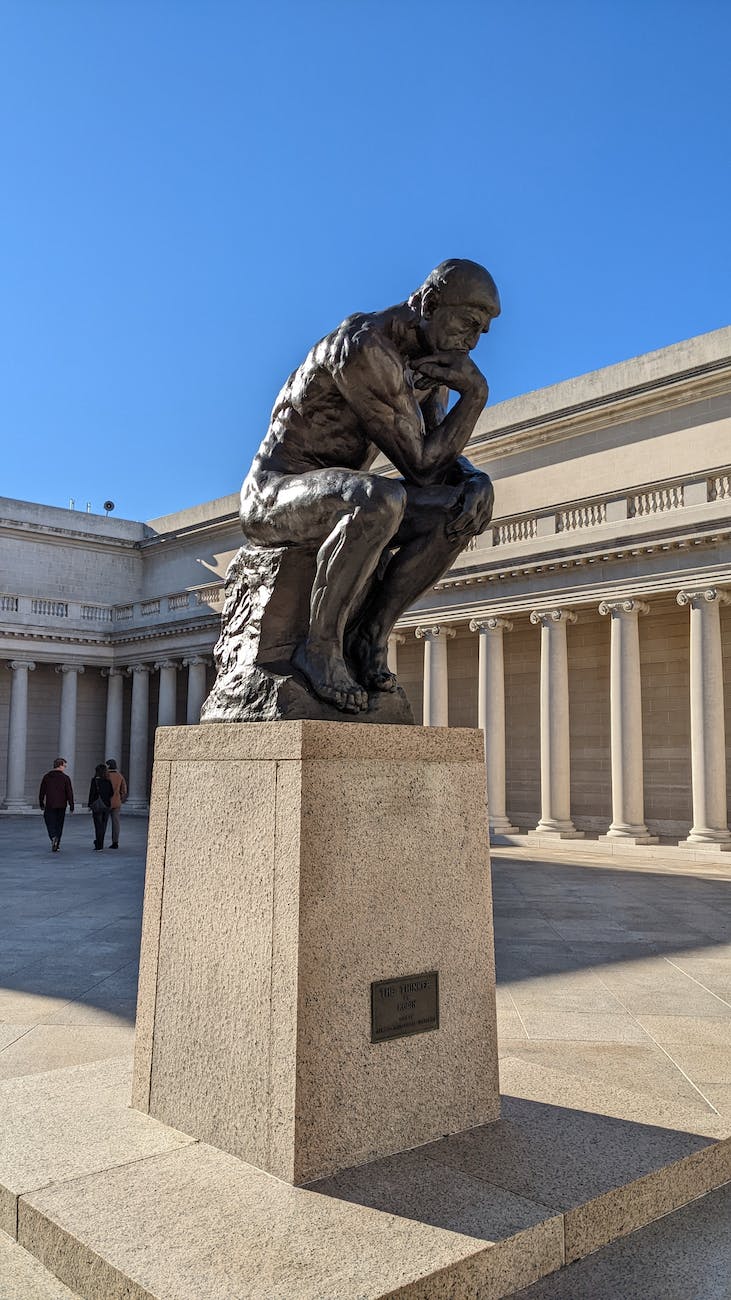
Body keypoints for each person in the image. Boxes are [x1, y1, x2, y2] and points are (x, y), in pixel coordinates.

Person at [239, 258, 499, 713]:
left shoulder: (431, 368)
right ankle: (320, 648)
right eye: (467, 323)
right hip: (275, 492)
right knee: (379, 499)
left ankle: (368, 638)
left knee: (460, 508)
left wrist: (475, 480)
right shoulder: (365, 345)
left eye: (481, 331)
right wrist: (476, 395)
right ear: (429, 302)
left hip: (343, 494)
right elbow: (421, 467)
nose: (472, 342)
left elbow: (438, 456)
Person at [38, 757, 74, 851]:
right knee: (59, 824)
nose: (65, 768)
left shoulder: (47, 777)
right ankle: (57, 844)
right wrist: (71, 805)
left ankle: (53, 836)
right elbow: (69, 792)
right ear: (60, 765)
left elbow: (42, 791)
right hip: (62, 804)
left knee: (49, 822)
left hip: (50, 803)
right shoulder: (65, 778)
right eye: (64, 766)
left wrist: (41, 802)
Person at [87, 763, 113, 850]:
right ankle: (100, 843)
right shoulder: (108, 781)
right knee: (103, 825)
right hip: (106, 805)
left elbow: (92, 793)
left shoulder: (94, 781)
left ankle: (98, 844)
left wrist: (90, 804)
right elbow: (111, 793)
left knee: (98, 825)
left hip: (97, 805)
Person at [105, 758, 127, 849]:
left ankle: (100, 841)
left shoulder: (105, 775)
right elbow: (124, 790)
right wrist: (120, 798)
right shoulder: (119, 776)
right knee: (116, 823)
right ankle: (115, 842)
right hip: (116, 802)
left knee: (103, 823)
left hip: (106, 802)